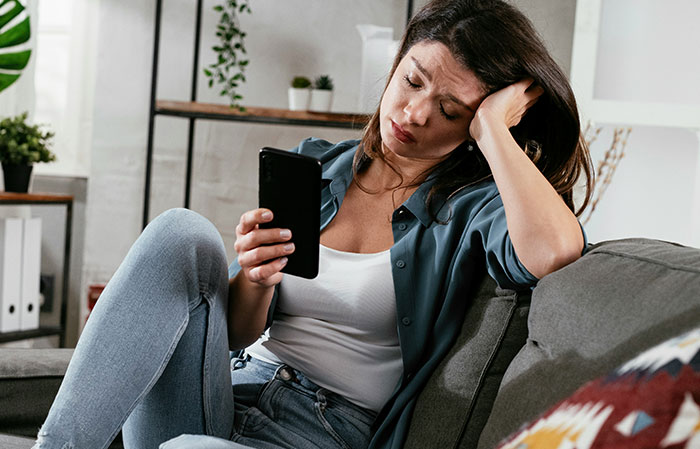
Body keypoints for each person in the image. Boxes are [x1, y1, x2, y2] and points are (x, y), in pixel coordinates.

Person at [34, 0, 593, 448]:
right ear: (396, 64)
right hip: (227, 389)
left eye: (452, 111)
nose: (416, 113)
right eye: (413, 81)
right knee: (182, 231)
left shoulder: (472, 206)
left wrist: (494, 128)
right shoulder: (320, 167)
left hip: (320, 430)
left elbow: (557, 252)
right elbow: (235, 334)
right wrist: (256, 279)